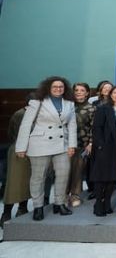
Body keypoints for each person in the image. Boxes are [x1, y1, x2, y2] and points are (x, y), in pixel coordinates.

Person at [15, 76, 77, 221]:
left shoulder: (69, 103)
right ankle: (38, 207)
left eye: (61, 87)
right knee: (38, 177)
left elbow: (72, 125)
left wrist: (72, 145)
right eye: (55, 87)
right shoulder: (37, 102)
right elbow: (25, 125)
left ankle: (59, 203)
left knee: (63, 175)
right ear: (48, 88)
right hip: (39, 144)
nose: (58, 89)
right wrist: (21, 147)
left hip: (62, 145)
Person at [89, 86, 116, 216]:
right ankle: (98, 203)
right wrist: (99, 146)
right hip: (105, 146)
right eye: (115, 93)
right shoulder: (103, 108)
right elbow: (96, 128)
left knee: (112, 176)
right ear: (110, 95)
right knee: (101, 176)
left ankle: (107, 203)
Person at [0, 94, 34, 227]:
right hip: (19, 152)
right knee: (14, 183)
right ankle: (6, 213)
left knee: (26, 183)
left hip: (33, 152)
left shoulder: (38, 115)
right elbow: (12, 133)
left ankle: (23, 209)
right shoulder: (20, 114)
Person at [67, 83, 95, 208]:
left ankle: (75, 194)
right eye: (76, 90)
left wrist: (90, 143)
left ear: (87, 93)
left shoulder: (91, 108)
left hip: (82, 145)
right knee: (64, 171)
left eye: (82, 90)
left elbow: (94, 128)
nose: (79, 92)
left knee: (77, 171)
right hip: (65, 144)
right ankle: (62, 194)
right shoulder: (67, 106)